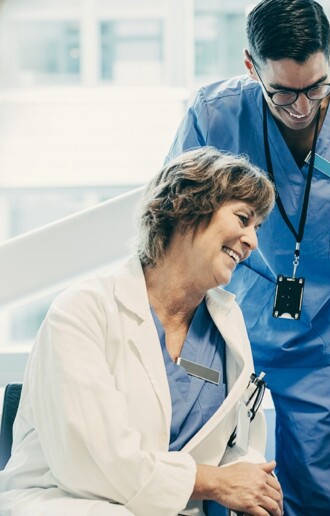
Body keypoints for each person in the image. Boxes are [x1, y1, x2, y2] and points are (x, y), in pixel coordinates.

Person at [166, 0, 330, 513]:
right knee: (223, 482)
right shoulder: (213, 117)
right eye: (282, 92)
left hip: (321, 343)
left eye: (316, 87)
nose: (302, 107)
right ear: (250, 66)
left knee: (318, 490)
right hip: (220, 337)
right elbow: (175, 238)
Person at [0, 147, 284, 516]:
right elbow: (92, 461)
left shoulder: (226, 325)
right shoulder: (83, 311)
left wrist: (252, 484)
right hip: (68, 502)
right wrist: (215, 482)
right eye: (243, 219)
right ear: (187, 209)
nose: (252, 241)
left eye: (256, 228)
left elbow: (240, 444)